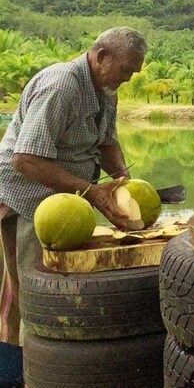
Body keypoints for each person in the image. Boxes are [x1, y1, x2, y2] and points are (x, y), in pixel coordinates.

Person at [0, 26, 147, 346]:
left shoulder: (106, 89)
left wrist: (125, 183)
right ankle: (22, 367)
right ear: (102, 56)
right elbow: (25, 159)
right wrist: (91, 191)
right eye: (125, 70)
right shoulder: (61, 86)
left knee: (61, 283)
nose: (128, 78)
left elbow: (107, 143)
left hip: (68, 198)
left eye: (133, 72)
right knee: (33, 290)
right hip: (28, 196)